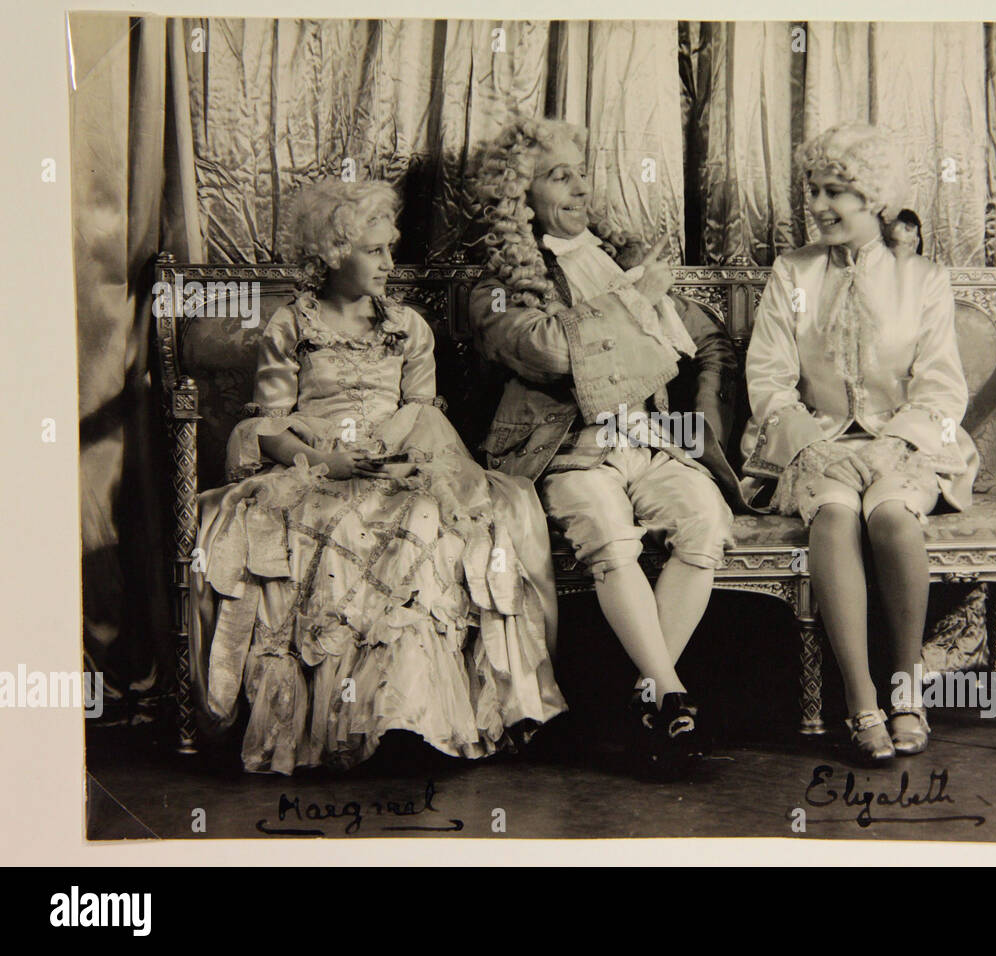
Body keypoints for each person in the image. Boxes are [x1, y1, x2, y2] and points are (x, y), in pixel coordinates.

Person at [192, 179, 565, 774]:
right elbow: (269, 424)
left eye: (391, 250)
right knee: (331, 527)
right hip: (315, 470)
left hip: (398, 468)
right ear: (336, 251)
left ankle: (409, 715)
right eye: (376, 252)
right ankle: (345, 722)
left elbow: (422, 417)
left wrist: (399, 463)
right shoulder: (293, 324)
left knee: (427, 521)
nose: (391, 265)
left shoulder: (408, 327)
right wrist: (323, 463)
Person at [466, 116, 744, 775]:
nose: (580, 189)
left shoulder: (616, 260)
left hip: (648, 442)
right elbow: (550, 351)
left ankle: (648, 695)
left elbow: (693, 346)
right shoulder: (499, 282)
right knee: (607, 530)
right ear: (518, 198)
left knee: (705, 519)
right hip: (566, 449)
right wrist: (632, 301)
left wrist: (638, 297)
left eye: (582, 173)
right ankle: (668, 695)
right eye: (559, 177)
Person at [741, 123, 979, 764]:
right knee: (836, 514)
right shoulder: (793, 271)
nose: (817, 205)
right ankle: (861, 698)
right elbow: (769, 379)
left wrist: (897, 443)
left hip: (903, 442)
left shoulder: (921, 278)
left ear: (873, 198)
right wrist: (810, 443)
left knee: (894, 519)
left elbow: (940, 387)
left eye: (835, 192)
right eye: (812, 190)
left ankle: (906, 691)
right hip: (815, 442)